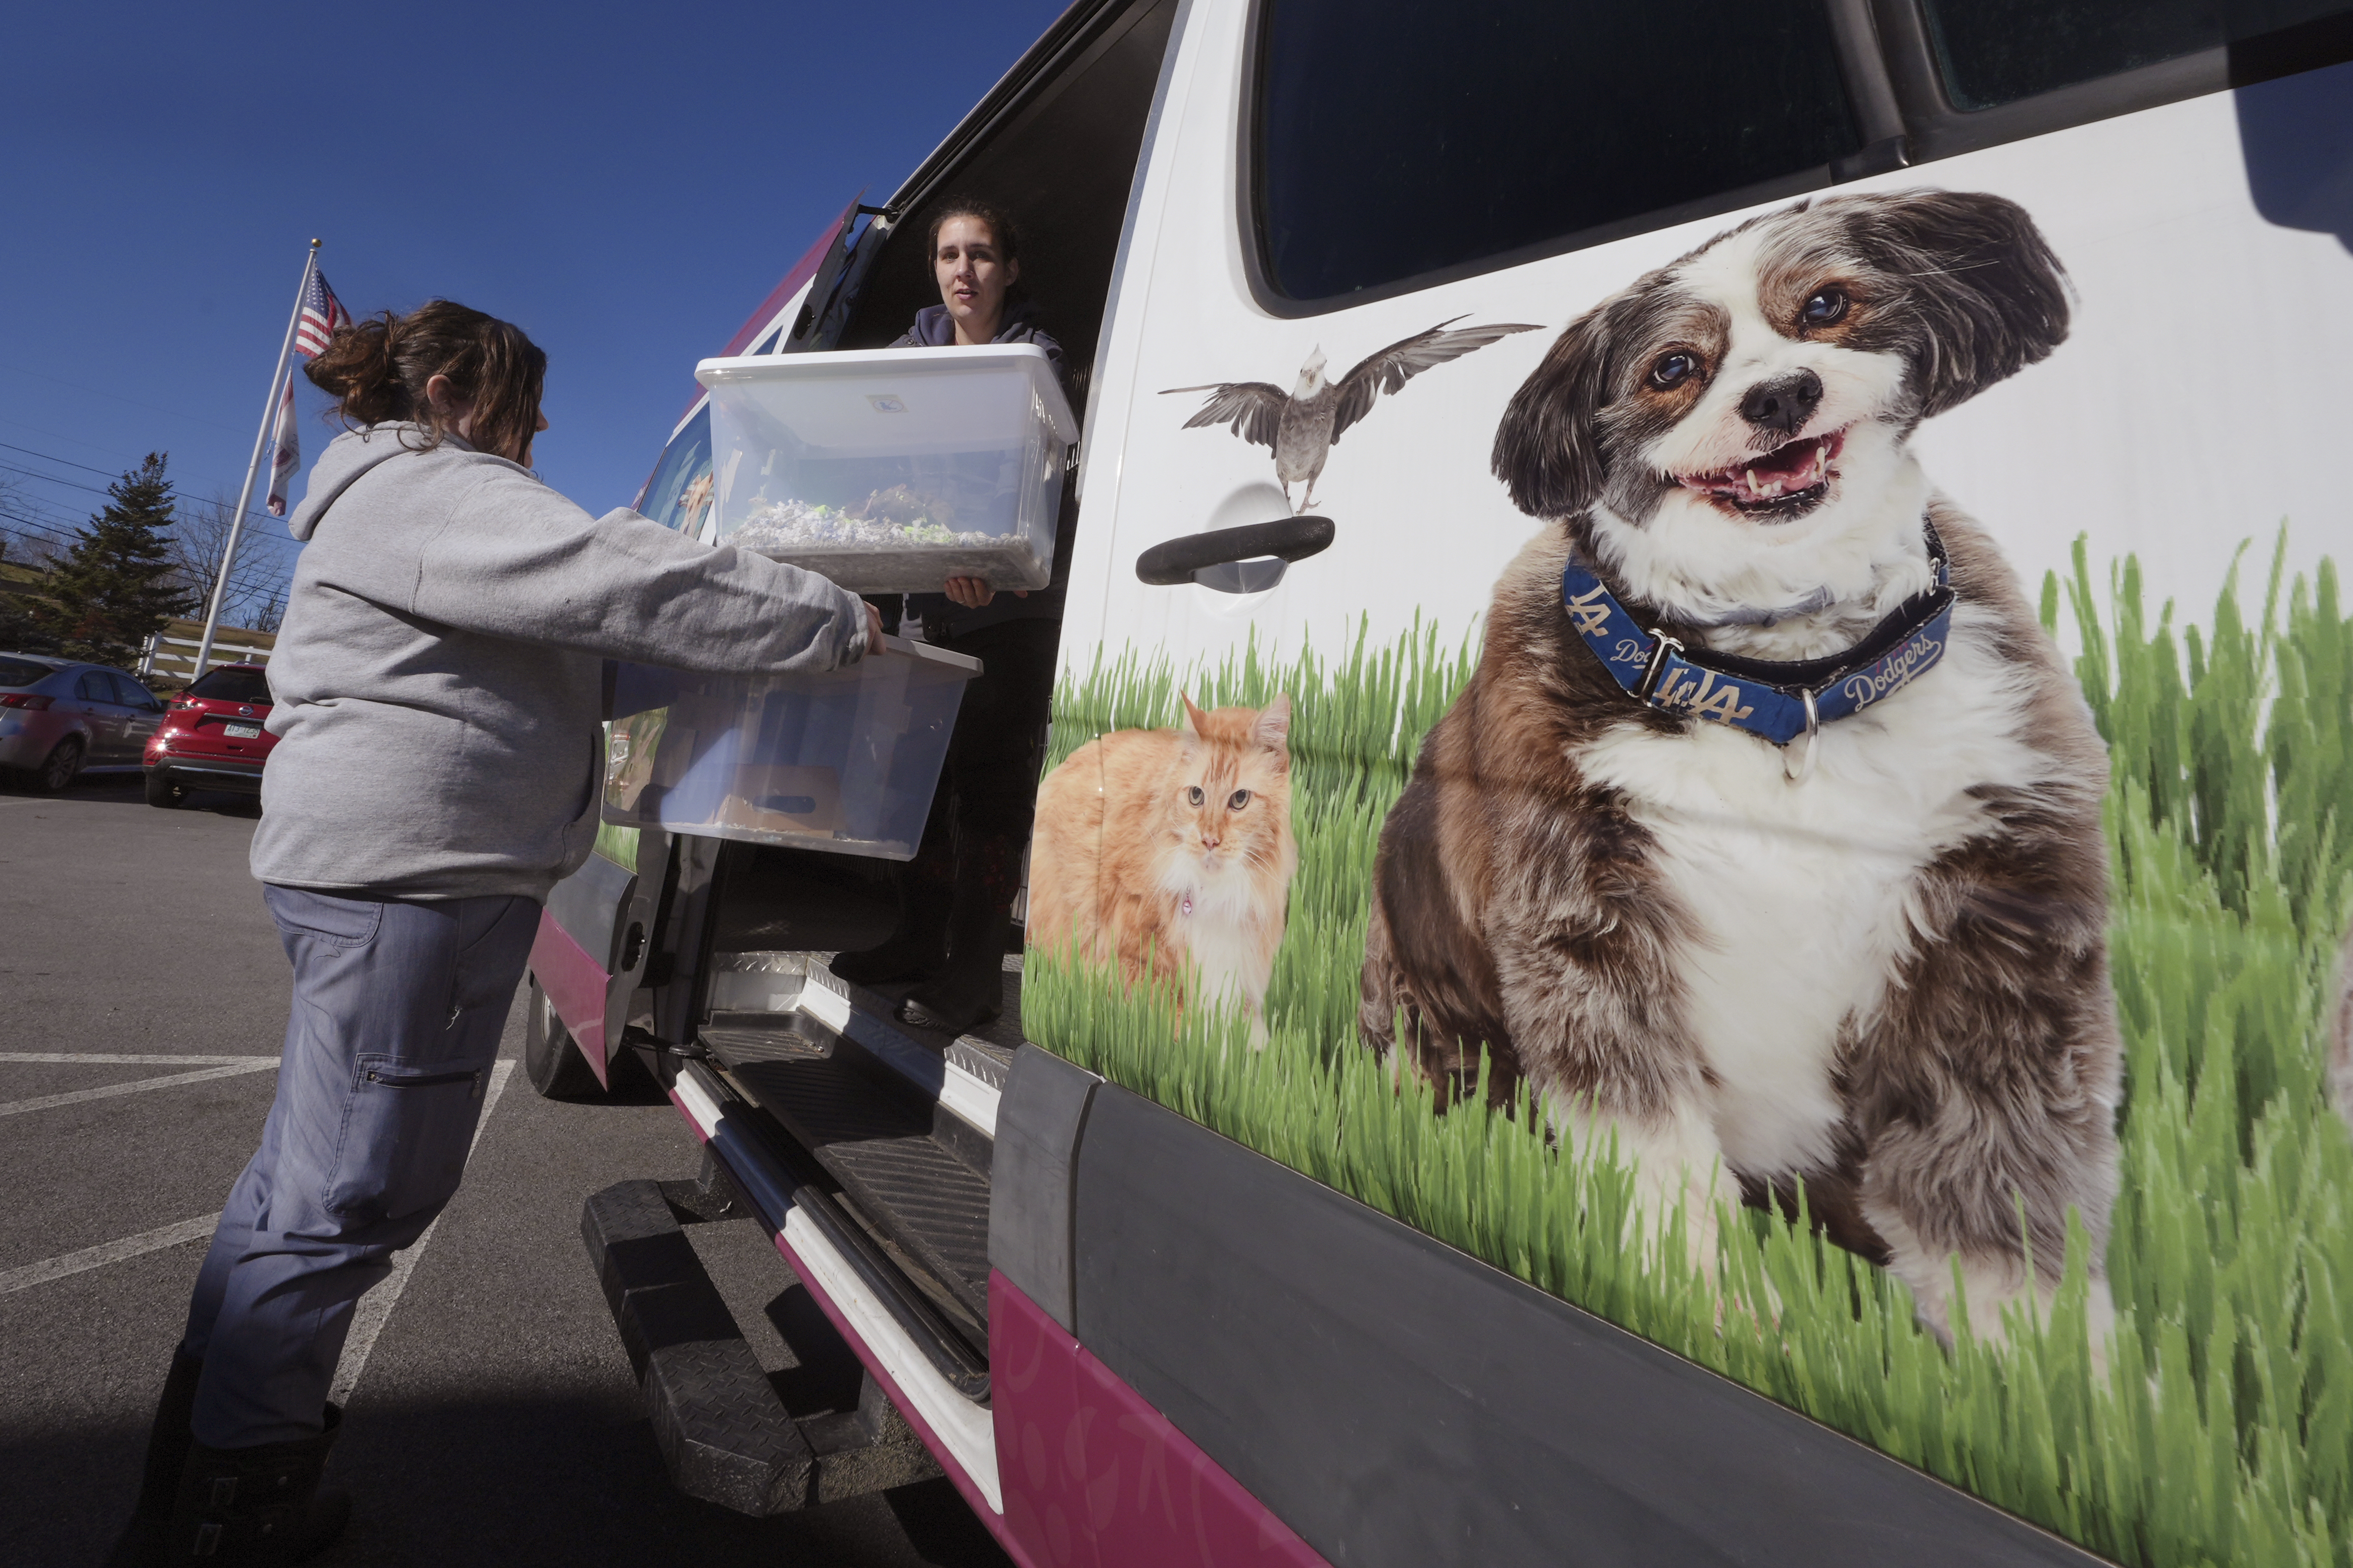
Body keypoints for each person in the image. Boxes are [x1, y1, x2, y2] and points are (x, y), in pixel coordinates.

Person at [108, 301, 880, 1567]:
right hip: (414, 887)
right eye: (525, 406)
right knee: (351, 1196)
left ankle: (201, 1470)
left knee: (294, 1191)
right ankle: (231, 1514)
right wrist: (830, 621)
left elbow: (570, 644)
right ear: (464, 390)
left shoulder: (388, 497)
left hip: (373, 880)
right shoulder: (437, 483)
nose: (538, 434)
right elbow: (621, 571)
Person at [829, 200, 1070, 1034]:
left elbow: (1032, 489)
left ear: (1008, 270)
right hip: (932, 606)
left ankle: (973, 974)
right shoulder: (906, 364)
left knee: (989, 794)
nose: (962, 271)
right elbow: (883, 476)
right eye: (947, 256)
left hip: (1010, 610)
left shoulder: (1035, 363)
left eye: (980, 256)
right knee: (917, 785)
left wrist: (995, 567)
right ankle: (914, 941)